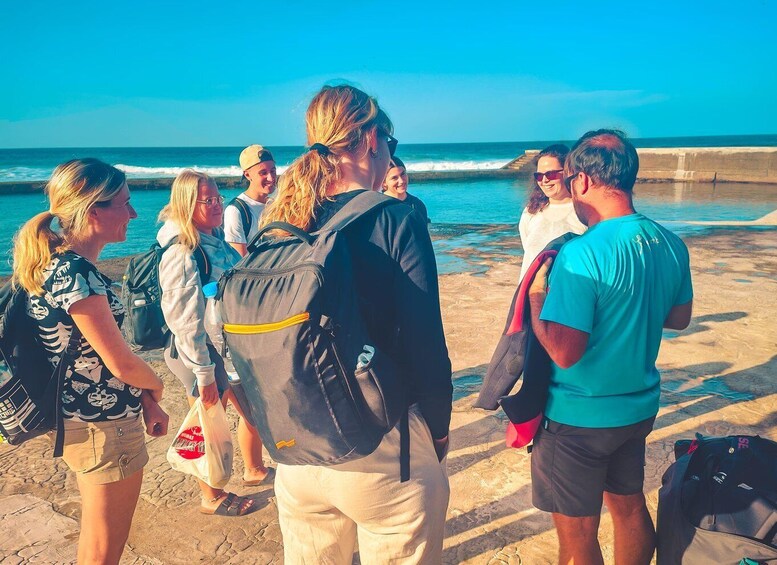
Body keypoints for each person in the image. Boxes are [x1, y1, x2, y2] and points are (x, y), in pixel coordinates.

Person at [260, 84, 452, 564]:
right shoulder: (396, 219)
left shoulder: (281, 219)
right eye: (390, 139)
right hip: (381, 448)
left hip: (297, 448)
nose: (390, 151)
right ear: (370, 138)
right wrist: (440, 426)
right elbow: (425, 340)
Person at [527, 130, 693, 565]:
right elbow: (678, 318)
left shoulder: (581, 254)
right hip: (636, 409)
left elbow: (564, 352)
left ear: (580, 181)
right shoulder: (670, 243)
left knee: (577, 535)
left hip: (579, 417)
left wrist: (535, 302)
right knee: (630, 505)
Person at [12, 158, 169, 564]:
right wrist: (156, 386)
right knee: (105, 546)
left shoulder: (52, 264)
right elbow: (120, 362)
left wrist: (144, 401)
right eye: (125, 203)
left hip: (83, 416)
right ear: (94, 210)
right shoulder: (76, 274)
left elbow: (89, 357)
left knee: (97, 537)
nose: (134, 213)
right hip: (103, 426)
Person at [157, 169, 272, 516]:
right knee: (208, 424)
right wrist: (204, 374)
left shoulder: (214, 239)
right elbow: (184, 319)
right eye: (208, 200)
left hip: (228, 348)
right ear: (188, 205)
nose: (218, 205)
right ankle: (211, 496)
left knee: (250, 412)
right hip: (203, 353)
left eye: (218, 198)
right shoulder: (182, 251)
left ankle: (253, 470)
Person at [518, 144, 585, 282]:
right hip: (528, 295)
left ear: (568, 172)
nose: (544, 180)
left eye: (550, 174)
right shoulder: (531, 212)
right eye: (539, 175)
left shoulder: (584, 211)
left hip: (566, 295)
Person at [224, 145, 277, 256]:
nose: (271, 178)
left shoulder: (278, 202)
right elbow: (239, 262)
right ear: (247, 175)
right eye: (263, 173)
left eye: (273, 171)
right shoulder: (236, 210)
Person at [382, 156, 430, 224]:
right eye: (394, 178)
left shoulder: (417, 205)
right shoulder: (379, 207)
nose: (401, 181)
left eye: (403, 174)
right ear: (384, 183)